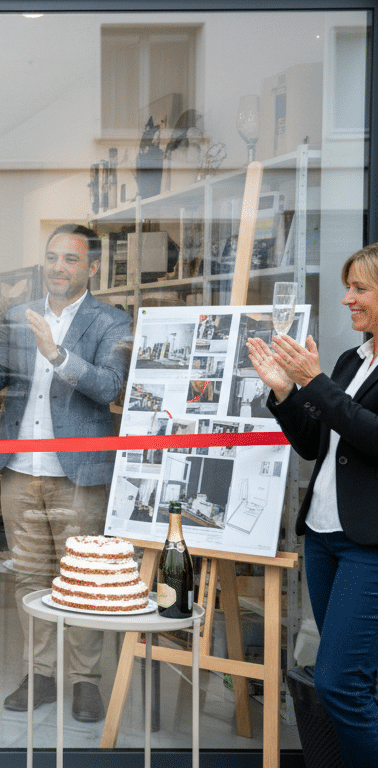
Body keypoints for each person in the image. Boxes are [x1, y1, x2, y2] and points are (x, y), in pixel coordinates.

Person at [0, 223, 132, 723]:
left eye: (71, 260)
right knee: (30, 578)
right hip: (19, 468)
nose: (59, 267)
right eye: (53, 257)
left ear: (93, 267)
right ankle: (39, 675)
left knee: (84, 580)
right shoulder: (20, 314)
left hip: (78, 473)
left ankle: (85, 682)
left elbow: (109, 387)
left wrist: (57, 355)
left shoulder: (112, 321)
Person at [248, 243, 378, 767]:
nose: (347, 299)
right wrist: (285, 395)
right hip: (324, 538)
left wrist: (315, 383)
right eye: (348, 287)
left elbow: (372, 438)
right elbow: (314, 442)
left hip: (369, 546)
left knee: (339, 683)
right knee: (354, 681)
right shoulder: (354, 360)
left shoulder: (337, 370)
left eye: (360, 289)